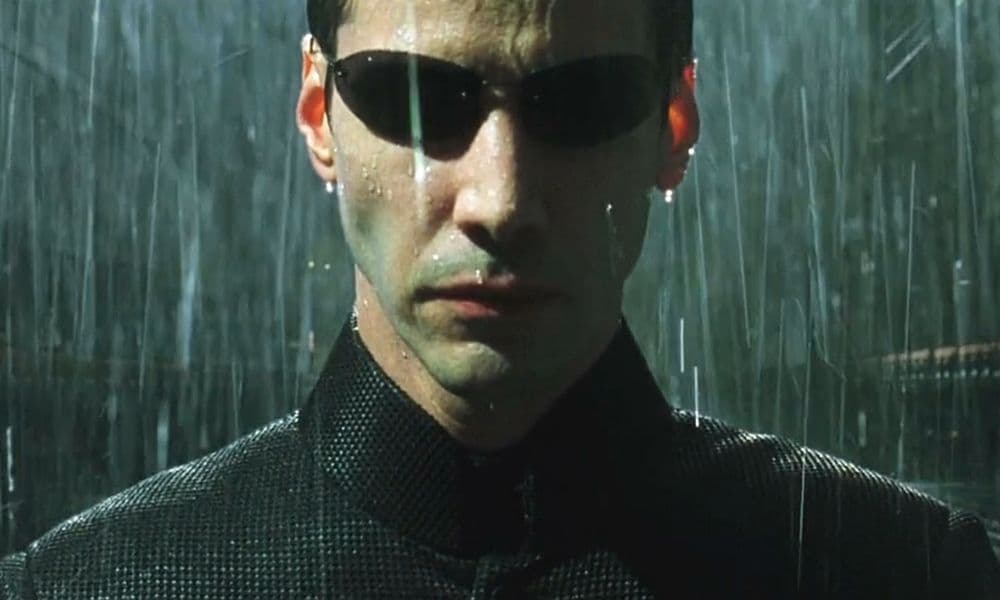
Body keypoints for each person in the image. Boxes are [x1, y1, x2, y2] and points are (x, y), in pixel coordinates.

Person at [2, 0, 998, 597]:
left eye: (583, 99)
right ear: (317, 113)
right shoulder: (88, 585)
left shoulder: (908, 571)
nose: (500, 201)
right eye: (417, 97)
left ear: (674, 125)